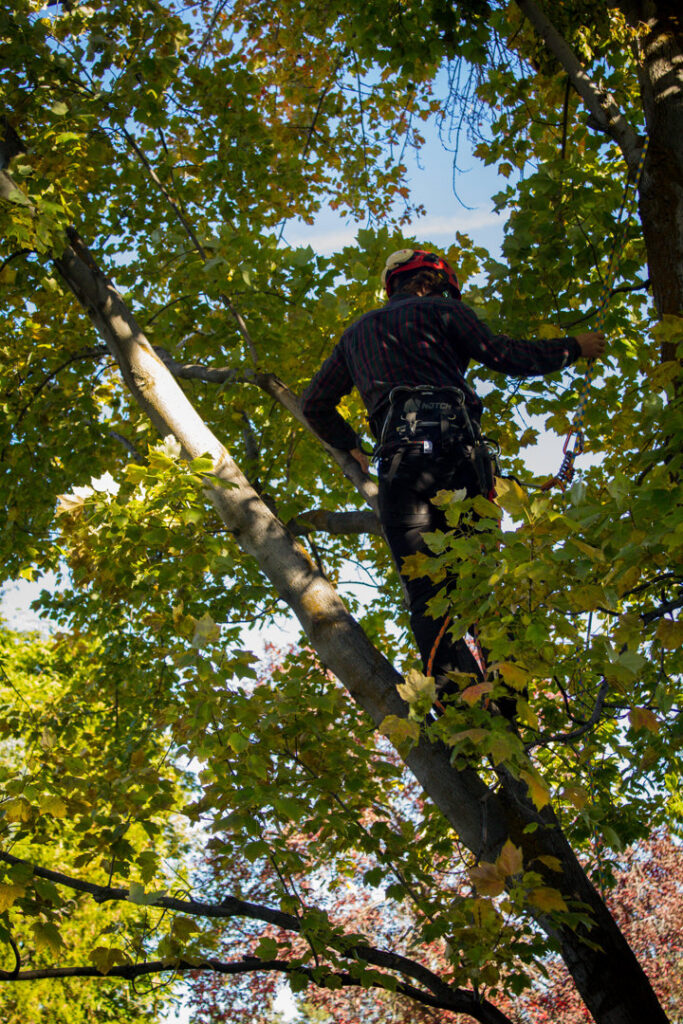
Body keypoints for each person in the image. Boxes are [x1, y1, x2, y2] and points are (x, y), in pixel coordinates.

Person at [302, 248, 605, 705]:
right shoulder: (445, 311)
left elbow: (314, 405)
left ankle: (458, 706)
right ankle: (504, 704)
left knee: (427, 595)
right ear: (431, 282)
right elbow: (503, 354)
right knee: (481, 582)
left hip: (400, 470)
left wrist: (352, 446)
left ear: (393, 284)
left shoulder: (357, 334)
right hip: (455, 459)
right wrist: (573, 348)